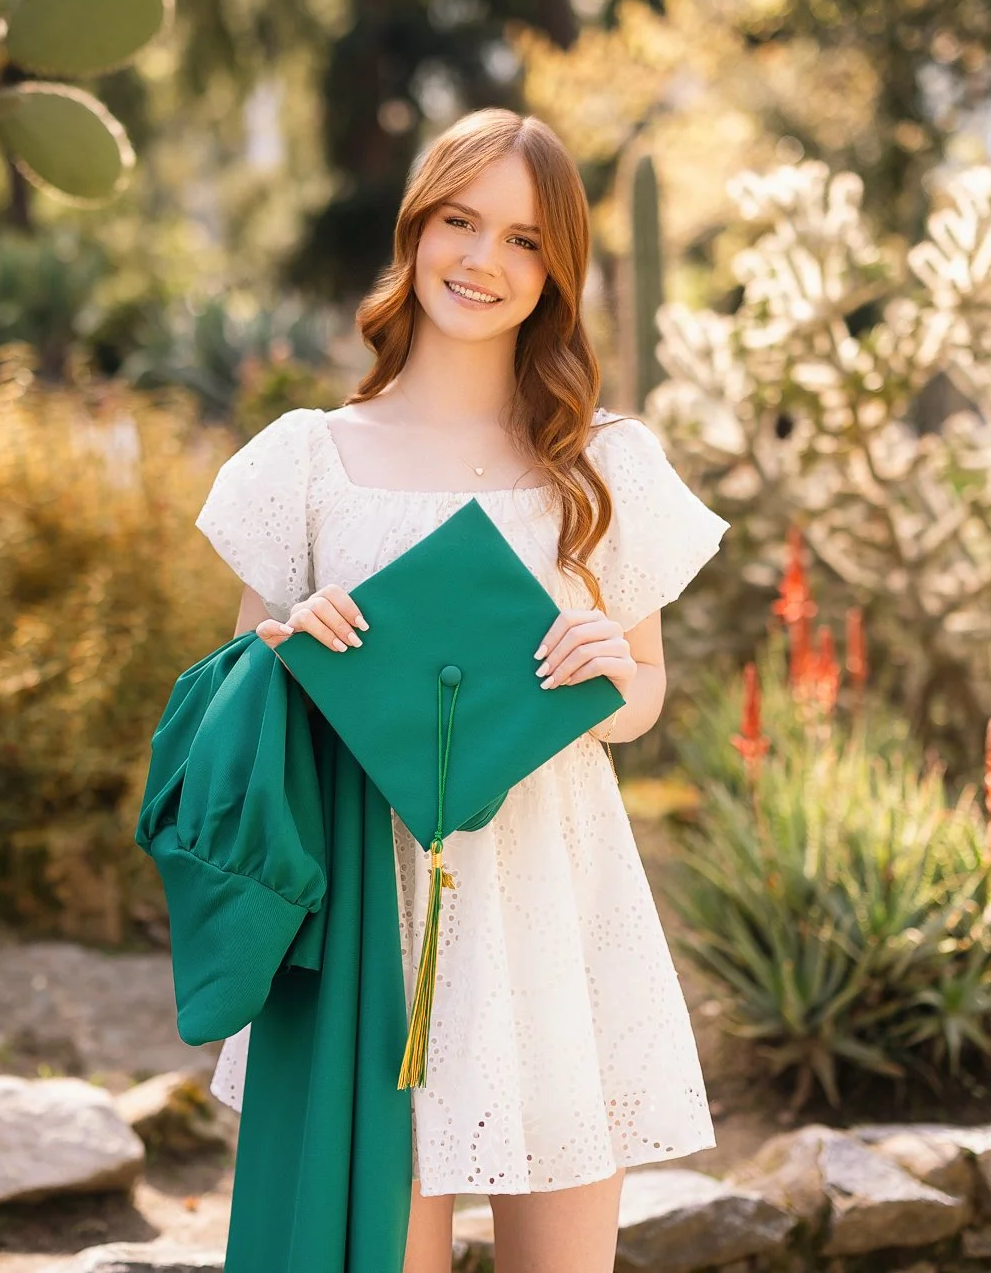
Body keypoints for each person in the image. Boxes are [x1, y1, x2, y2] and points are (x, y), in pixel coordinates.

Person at [190, 107, 729, 1273]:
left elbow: (641, 698)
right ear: (416, 230)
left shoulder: (600, 461)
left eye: (524, 240)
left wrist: (607, 668)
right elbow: (235, 705)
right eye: (460, 222)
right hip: (365, 917)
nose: (484, 260)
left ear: (557, 269)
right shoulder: (305, 459)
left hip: (550, 904)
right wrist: (287, 649)